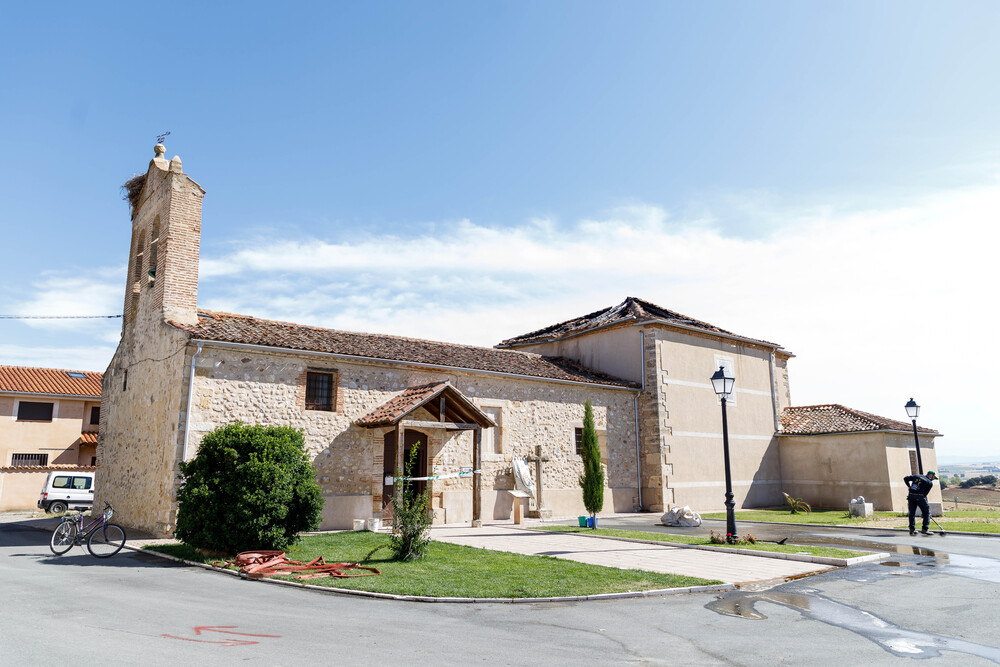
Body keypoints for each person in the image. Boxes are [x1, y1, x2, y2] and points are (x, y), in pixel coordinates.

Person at [903, 470, 937, 535]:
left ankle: (912, 529)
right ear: (931, 475)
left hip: (911, 496)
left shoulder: (917, 476)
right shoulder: (929, 483)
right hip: (920, 497)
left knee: (912, 513)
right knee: (926, 513)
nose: (934, 479)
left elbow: (905, 478)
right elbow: (925, 494)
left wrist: (909, 486)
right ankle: (925, 529)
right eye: (934, 477)